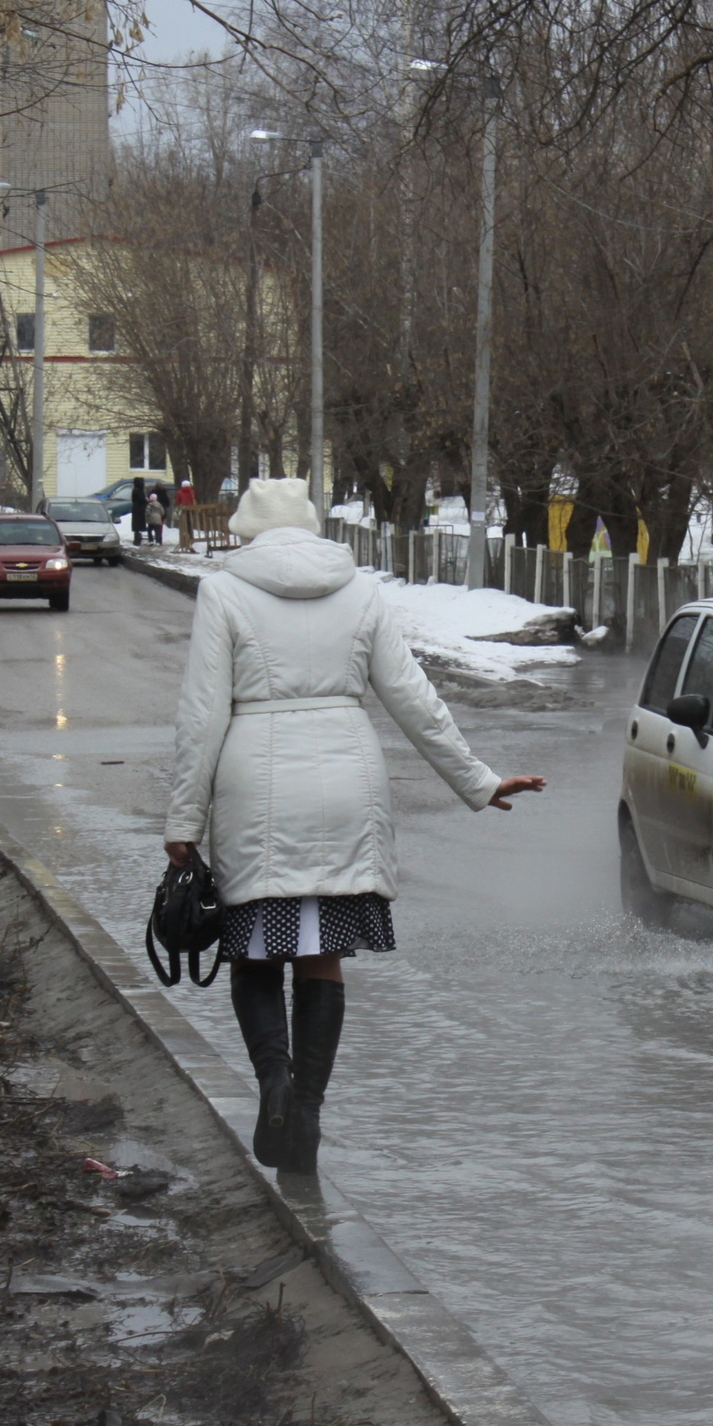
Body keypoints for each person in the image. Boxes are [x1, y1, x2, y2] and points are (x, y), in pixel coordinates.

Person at [164, 478, 545, 1173]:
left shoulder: (225, 589)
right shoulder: (359, 589)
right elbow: (413, 699)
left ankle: (274, 1084)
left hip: (258, 784)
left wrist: (183, 819)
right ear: (311, 527)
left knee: (253, 951)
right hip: (346, 785)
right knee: (321, 954)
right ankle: (306, 1109)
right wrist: (478, 780)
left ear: (251, 528)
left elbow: (201, 715)